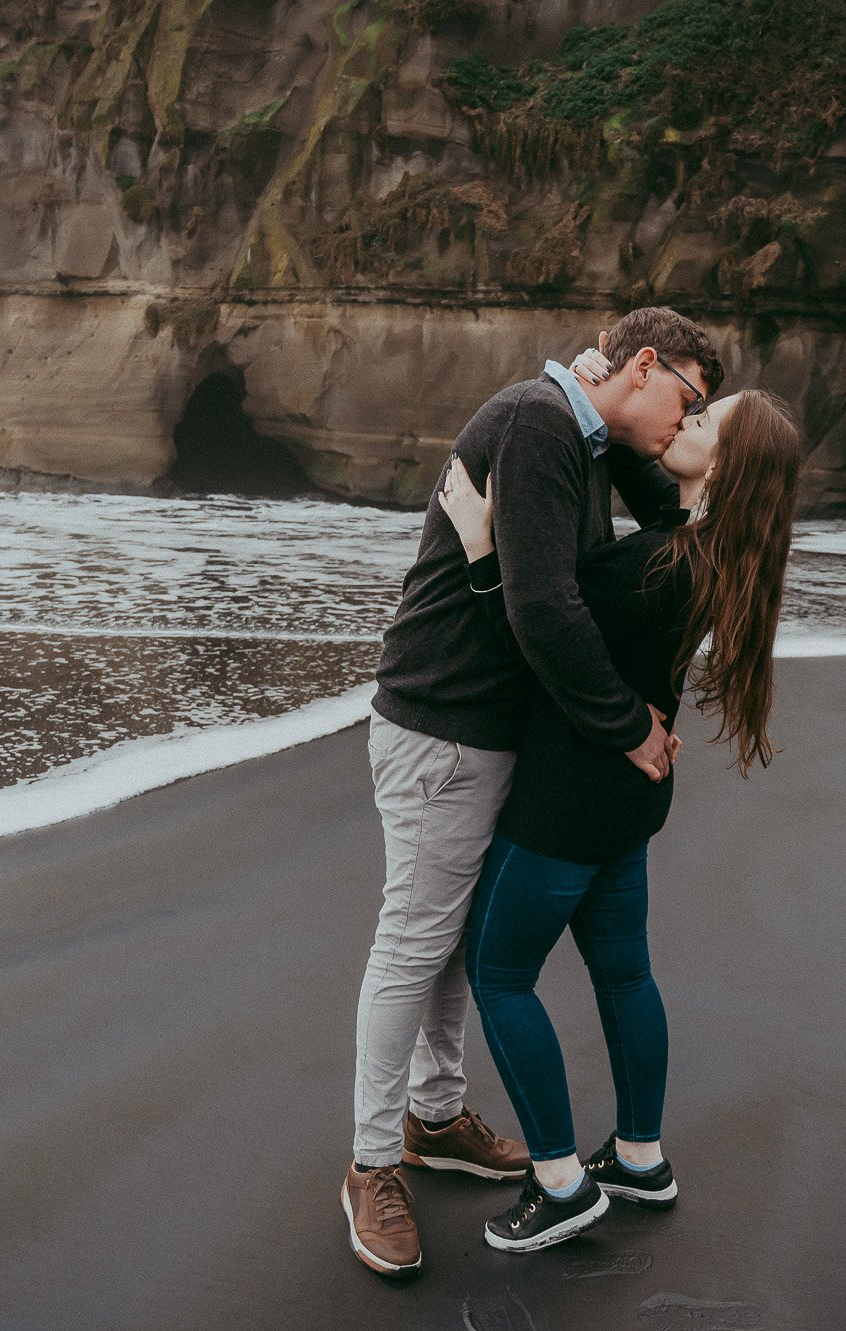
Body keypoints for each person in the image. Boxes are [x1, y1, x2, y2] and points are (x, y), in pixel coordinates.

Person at [344, 309, 725, 1277]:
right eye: (686, 397)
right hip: (443, 721)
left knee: (457, 944)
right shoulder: (538, 424)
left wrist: (634, 420)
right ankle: (370, 1162)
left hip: (498, 727)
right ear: (643, 363)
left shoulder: (582, 428)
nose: (685, 420)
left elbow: (671, 515)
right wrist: (630, 725)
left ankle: (434, 1118)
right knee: (414, 942)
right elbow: (542, 607)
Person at [436, 383, 804, 1252]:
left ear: (723, 470)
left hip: (570, 798)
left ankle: (560, 1182)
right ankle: (640, 1157)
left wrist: (486, 550)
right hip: (629, 801)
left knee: (498, 973)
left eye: (704, 423)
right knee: (626, 975)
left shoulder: (652, 567)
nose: (684, 420)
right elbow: (654, 485)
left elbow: (543, 642)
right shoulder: (709, 555)